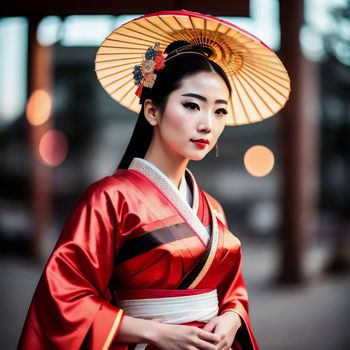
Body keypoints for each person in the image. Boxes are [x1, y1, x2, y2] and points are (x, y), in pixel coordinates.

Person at [18, 10, 290, 350]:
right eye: (192, 105)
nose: (208, 124)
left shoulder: (213, 208)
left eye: (220, 111)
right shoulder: (109, 199)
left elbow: (231, 289)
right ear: (152, 111)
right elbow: (64, 298)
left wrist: (232, 318)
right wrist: (158, 333)